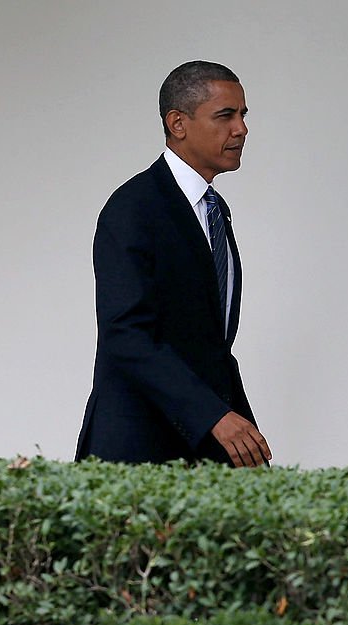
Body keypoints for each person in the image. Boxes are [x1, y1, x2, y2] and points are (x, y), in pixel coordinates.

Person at [75, 61, 271, 468]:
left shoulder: (214, 210)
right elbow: (127, 334)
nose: (241, 129)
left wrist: (240, 429)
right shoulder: (133, 209)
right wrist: (214, 416)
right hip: (140, 449)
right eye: (225, 116)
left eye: (243, 115)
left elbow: (209, 346)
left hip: (204, 443)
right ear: (177, 123)